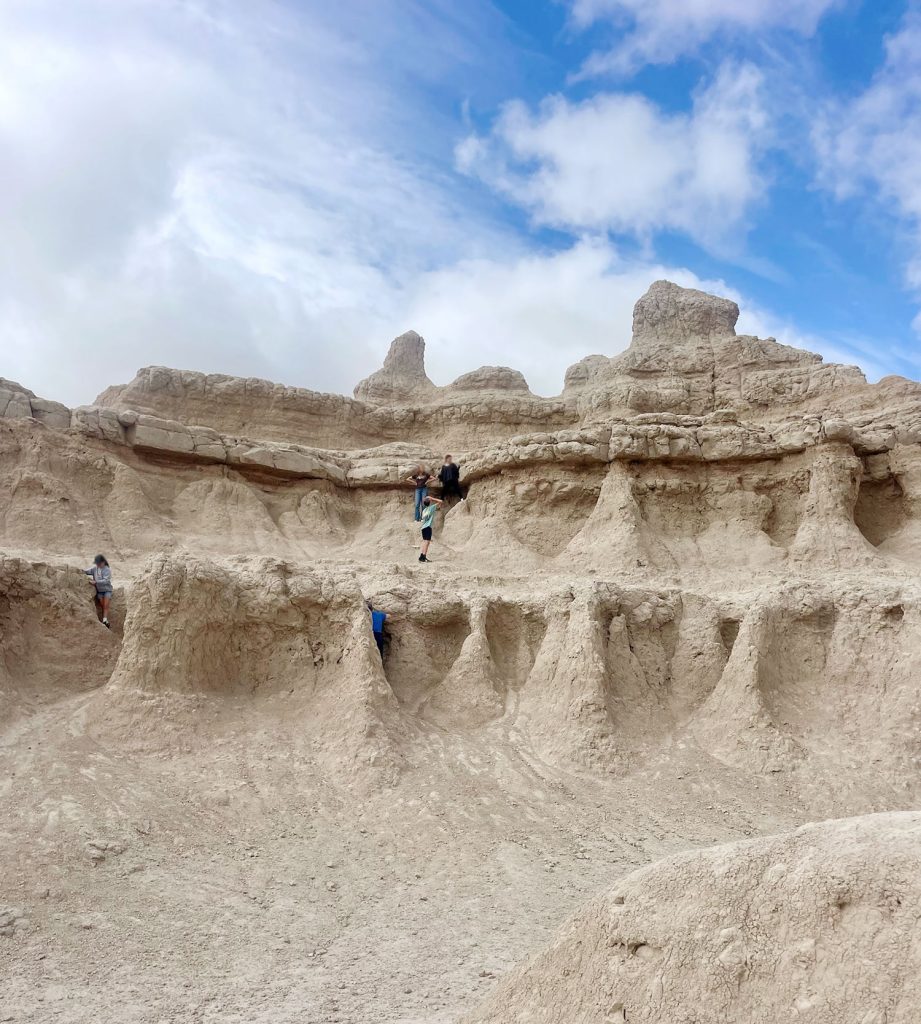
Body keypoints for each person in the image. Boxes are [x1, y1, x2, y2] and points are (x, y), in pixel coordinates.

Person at [83, 554, 113, 628]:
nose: (98, 565)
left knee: (106, 605)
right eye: (97, 563)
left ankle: (105, 620)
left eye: (99, 563)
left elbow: (106, 581)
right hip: (99, 591)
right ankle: (105, 620)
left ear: (103, 562)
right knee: (102, 605)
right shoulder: (95, 569)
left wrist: (96, 582)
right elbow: (87, 572)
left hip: (107, 590)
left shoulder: (107, 570)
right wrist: (79, 571)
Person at [418, 495, 443, 563]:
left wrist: (429, 499)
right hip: (428, 527)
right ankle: (424, 557)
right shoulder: (431, 508)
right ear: (430, 502)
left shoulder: (424, 511)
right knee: (427, 542)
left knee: (425, 542)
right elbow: (441, 501)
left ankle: (421, 556)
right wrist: (432, 498)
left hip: (423, 528)